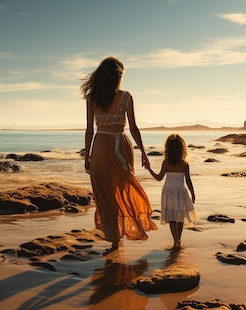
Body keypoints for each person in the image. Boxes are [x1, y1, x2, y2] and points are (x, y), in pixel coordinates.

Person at [81, 56, 158, 253]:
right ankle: (118, 235)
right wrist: (142, 151)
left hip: (100, 145)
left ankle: (115, 238)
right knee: (121, 189)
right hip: (120, 144)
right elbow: (134, 128)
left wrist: (88, 155)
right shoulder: (125, 97)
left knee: (106, 193)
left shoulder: (93, 98)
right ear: (117, 77)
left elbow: (89, 130)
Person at [145, 133, 196, 249]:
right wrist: (193, 193)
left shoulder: (166, 163)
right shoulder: (184, 164)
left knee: (172, 218)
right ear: (182, 149)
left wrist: (148, 168)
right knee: (180, 217)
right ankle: (179, 240)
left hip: (168, 192)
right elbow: (188, 181)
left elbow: (158, 178)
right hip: (180, 192)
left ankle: (175, 241)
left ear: (167, 148)